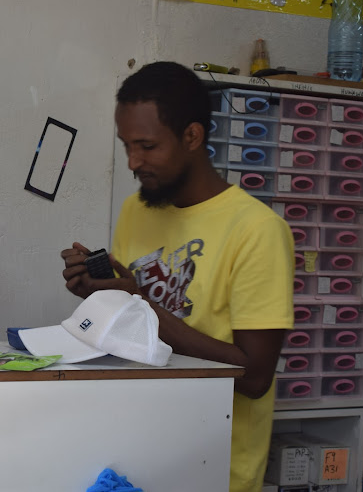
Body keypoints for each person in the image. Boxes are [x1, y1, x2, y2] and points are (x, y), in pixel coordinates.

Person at [60, 62, 294, 492]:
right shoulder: (138, 210)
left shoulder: (257, 231)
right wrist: (100, 296)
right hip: (141, 454)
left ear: (192, 136)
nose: (133, 161)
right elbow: (137, 339)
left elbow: (256, 377)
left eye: (147, 146)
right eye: (127, 145)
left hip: (213, 469)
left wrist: (140, 305)